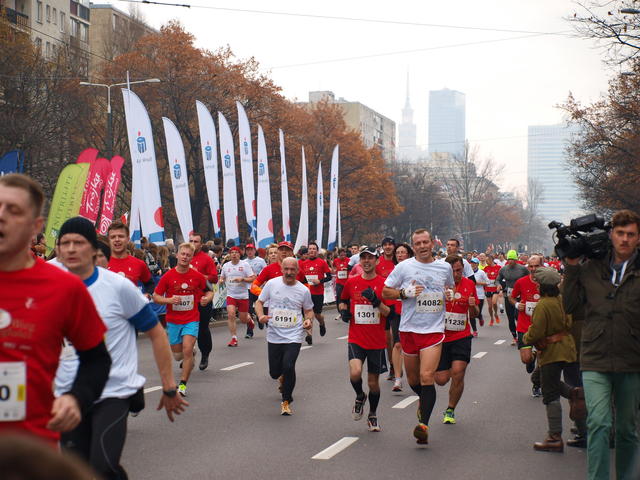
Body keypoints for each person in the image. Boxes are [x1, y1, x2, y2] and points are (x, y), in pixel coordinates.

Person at [54, 217, 187, 479]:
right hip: (68, 393)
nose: (70, 249)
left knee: (102, 466)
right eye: (64, 243)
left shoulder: (118, 287)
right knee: (75, 470)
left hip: (113, 391)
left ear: (93, 248)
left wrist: (169, 385)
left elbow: (156, 334)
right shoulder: (50, 287)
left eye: (78, 243)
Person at [0, 174, 111, 445]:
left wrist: (76, 398)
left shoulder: (64, 287)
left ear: (35, 226)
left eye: (13, 210)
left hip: (30, 446)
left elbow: (97, 360)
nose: (1, 216)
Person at [563, 209, 640, 480]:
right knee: (598, 423)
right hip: (595, 357)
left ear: (638, 238)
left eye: (631, 234)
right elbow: (569, 305)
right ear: (611, 235)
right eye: (620, 233)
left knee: (627, 430)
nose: (625, 239)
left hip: (632, 360)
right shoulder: (591, 268)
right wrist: (572, 267)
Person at [383, 229, 454, 445]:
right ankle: (424, 400)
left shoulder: (444, 267)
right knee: (414, 380)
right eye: (418, 243)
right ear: (413, 247)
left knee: (426, 376)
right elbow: (386, 291)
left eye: (425, 242)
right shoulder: (404, 267)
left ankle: (423, 425)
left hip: (433, 330)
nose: (422, 246)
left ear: (432, 243)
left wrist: (449, 294)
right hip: (409, 330)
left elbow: (449, 286)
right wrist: (404, 293)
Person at [523, 266, 581, 453]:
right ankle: (574, 394)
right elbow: (569, 322)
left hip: (552, 352)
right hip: (568, 348)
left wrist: (526, 338)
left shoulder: (543, 304)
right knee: (549, 381)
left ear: (541, 286)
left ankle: (554, 437)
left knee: (550, 394)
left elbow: (536, 332)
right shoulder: (562, 300)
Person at [339, 246, 393, 432]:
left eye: (370, 258)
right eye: (363, 258)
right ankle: (360, 396)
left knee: (373, 383)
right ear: (360, 261)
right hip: (356, 337)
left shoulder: (384, 284)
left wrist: (376, 302)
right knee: (355, 373)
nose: (367, 261)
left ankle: (372, 414)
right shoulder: (352, 282)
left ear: (377, 261)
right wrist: (344, 312)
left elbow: (389, 313)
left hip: (376, 341)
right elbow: (343, 300)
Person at [153, 243, 214, 397]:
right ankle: (191, 353)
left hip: (191, 319)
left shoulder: (197, 276)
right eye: (183, 254)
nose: (185, 257)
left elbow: (210, 291)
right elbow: (156, 297)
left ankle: (182, 385)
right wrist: (169, 300)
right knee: (178, 355)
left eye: (188, 255)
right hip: (173, 321)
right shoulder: (168, 276)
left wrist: (207, 298)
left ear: (192, 258)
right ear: (177, 255)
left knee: (186, 349)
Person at [255, 257, 313, 416]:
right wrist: (260, 316)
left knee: (288, 366)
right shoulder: (272, 284)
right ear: (281, 269)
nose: (289, 272)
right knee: (274, 373)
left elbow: (309, 310)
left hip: (294, 335)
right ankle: (282, 378)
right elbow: (259, 302)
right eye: (286, 269)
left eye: (292, 269)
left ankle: (286, 400)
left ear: (298, 271)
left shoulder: (303, 290)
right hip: (274, 335)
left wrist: (308, 320)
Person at [435, 255, 479, 425]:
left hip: (461, 335)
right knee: (441, 380)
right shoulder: (438, 284)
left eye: (459, 270)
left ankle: (450, 409)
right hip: (441, 336)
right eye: (452, 271)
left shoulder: (469, 284)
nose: (456, 274)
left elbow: (474, 314)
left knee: (458, 372)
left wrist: (472, 306)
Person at [510, 255, 543, 397]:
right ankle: (532, 357)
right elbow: (511, 297)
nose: (533, 269)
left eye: (536, 266)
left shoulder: (547, 282)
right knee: (526, 359)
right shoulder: (521, 282)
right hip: (524, 326)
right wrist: (517, 304)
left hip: (542, 327)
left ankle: (537, 385)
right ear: (527, 267)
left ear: (542, 266)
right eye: (531, 266)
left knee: (543, 360)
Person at [188, 232, 219, 371]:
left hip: (203, 299)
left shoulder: (206, 259)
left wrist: (199, 275)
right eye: (191, 241)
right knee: (186, 329)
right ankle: (188, 355)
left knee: (202, 329)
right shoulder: (184, 257)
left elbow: (214, 278)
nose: (193, 244)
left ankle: (205, 354)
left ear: (201, 244)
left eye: (196, 241)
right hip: (187, 300)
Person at [389, 242, 414, 392]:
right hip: (396, 311)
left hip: (413, 311)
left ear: (409, 254)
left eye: (402, 252)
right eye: (397, 253)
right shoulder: (394, 271)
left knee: (412, 344)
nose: (399, 255)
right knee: (397, 344)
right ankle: (397, 378)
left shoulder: (415, 269)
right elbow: (386, 290)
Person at [220, 246, 256, 347]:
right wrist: (221, 280)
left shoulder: (245, 265)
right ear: (230, 255)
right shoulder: (226, 266)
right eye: (232, 252)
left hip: (243, 295)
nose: (234, 254)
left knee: (243, 319)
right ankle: (234, 338)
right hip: (231, 295)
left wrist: (242, 279)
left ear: (240, 254)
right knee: (231, 314)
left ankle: (249, 320)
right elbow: (222, 277)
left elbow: (253, 278)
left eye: (236, 252)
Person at [106, 221, 154, 296]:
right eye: (113, 237)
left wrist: (147, 295)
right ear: (108, 240)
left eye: (121, 236)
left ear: (128, 239)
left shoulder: (139, 264)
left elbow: (150, 284)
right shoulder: (100, 263)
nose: (117, 239)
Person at [298, 242, 332, 343]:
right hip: (307, 293)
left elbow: (329, 277)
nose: (312, 250)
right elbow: (301, 278)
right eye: (310, 249)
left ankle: (322, 323)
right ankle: (309, 335)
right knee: (308, 313)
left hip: (318, 293)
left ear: (317, 251)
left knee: (317, 314)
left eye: (314, 249)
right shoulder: (303, 264)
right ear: (308, 251)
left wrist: (320, 281)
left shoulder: (322, 263)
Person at [496, 249, 528, 344]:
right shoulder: (503, 269)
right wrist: (499, 285)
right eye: (509, 259)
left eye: (512, 259)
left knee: (518, 315)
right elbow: (497, 279)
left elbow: (529, 278)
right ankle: (514, 336)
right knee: (510, 317)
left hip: (520, 295)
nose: (510, 261)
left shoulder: (523, 269)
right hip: (509, 295)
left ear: (516, 260)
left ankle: (522, 333)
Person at [244, 243, 267, 336]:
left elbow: (265, 272)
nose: (249, 252)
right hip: (248, 289)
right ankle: (249, 331)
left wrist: (260, 279)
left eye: (251, 250)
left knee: (259, 306)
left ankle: (259, 317)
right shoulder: (243, 262)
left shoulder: (260, 261)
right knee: (248, 310)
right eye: (248, 250)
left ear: (254, 251)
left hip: (258, 288)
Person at [483, 254, 502, 326]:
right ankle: (491, 318)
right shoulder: (486, 268)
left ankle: (496, 314)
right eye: (486, 261)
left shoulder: (499, 268)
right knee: (490, 306)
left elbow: (501, 278)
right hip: (488, 289)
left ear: (491, 260)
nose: (486, 262)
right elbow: (483, 278)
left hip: (495, 289)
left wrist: (501, 288)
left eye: (487, 260)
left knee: (494, 302)